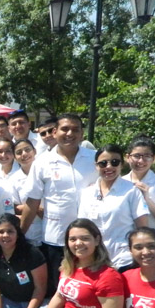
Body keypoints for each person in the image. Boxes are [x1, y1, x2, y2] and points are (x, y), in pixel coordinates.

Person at [20, 114, 98, 295]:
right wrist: (20, 234)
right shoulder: (42, 162)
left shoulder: (95, 159)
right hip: (56, 239)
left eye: (75, 130)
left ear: (82, 133)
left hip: (89, 240)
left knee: (88, 289)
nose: (70, 133)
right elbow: (32, 201)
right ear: (55, 132)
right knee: (60, 289)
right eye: (65, 129)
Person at [78, 145, 149, 271]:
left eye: (114, 162)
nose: (109, 167)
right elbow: (82, 228)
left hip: (124, 260)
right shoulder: (87, 193)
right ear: (96, 166)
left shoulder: (131, 191)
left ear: (122, 164)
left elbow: (142, 228)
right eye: (103, 163)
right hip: (94, 259)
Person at [122, 136, 155, 230]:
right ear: (128, 157)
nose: (141, 161)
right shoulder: (121, 182)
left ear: (153, 158)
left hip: (151, 237)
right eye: (136, 156)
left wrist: (147, 199)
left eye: (147, 156)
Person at [10, 139, 43, 247]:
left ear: (35, 151)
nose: (24, 154)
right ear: (15, 157)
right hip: (29, 234)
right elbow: (15, 207)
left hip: (49, 231)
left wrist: (28, 207)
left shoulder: (47, 172)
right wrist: (36, 209)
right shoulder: (14, 179)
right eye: (19, 152)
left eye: (27, 150)